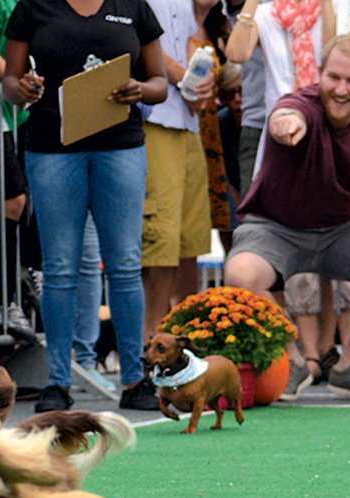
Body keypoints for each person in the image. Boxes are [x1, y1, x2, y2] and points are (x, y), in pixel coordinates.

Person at [224, 34, 350, 401]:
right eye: (334, 78)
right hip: (275, 226)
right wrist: (286, 124)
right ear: (319, 74)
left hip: (345, 227)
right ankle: (292, 361)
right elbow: (286, 114)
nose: (341, 90)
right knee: (240, 275)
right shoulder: (299, 104)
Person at [1, 0, 171, 412]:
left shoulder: (132, 6)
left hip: (121, 146)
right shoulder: (32, 6)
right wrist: (23, 88)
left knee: (126, 265)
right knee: (59, 267)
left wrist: (140, 90)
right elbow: (8, 80)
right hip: (52, 147)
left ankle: (135, 380)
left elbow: (161, 84)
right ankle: (58, 382)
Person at [139, 0, 215, 337]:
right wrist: (185, 77)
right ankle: (148, 340)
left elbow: (191, 36)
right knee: (160, 235)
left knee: (190, 238)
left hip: (188, 120)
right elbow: (140, 38)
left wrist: (201, 76)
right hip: (153, 117)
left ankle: (184, 336)